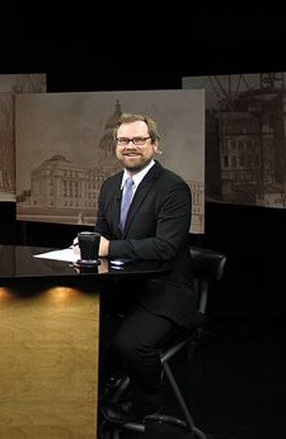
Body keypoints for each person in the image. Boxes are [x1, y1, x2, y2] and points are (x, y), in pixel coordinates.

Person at [88, 113, 196, 423]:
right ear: (115, 146)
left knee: (130, 344)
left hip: (165, 293)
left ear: (155, 145)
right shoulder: (110, 186)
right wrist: (87, 246)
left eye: (138, 139)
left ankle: (149, 412)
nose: (130, 146)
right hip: (123, 289)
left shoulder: (173, 188)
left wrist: (109, 248)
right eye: (123, 140)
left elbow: (166, 247)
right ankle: (100, 401)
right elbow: (101, 236)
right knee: (78, 329)